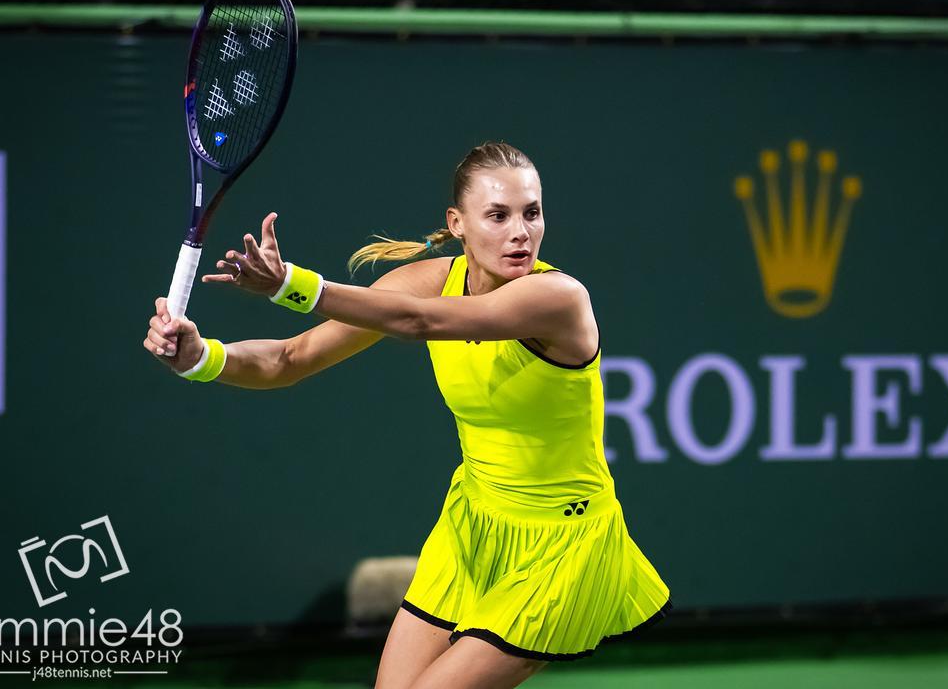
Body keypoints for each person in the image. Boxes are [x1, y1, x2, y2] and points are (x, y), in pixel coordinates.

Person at [143, 141, 672, 689]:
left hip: (564, 547)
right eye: (498, 215)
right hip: (472, 527)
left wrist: (290, 285)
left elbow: (421, 322)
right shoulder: (427, 282)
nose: (521, 232)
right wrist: (200, 359)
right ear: (457, 223)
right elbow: (290, 359)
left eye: (531, 213)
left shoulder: (558, 298)